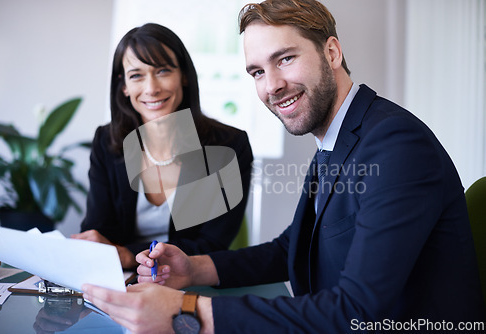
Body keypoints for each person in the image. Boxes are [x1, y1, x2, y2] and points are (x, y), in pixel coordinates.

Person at [81, 1, 485, 333]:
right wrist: (192, 268)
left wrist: (189, 311)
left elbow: (356, 311)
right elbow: (290, 247)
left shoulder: (394, 143)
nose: (271, 85)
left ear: (332, 52)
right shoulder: (339, 139)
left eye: (285, 59)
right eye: (258, 71)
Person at [71, 23, 253, 269]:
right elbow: (99, 230)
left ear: (184, 76)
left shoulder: (229, 146)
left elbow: (212, 243)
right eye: (136, 75)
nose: (152, 89)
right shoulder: (107, 141)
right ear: (124, 86)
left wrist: (127, 255)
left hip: (190, 278)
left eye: (163, 71)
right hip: (120, 279)